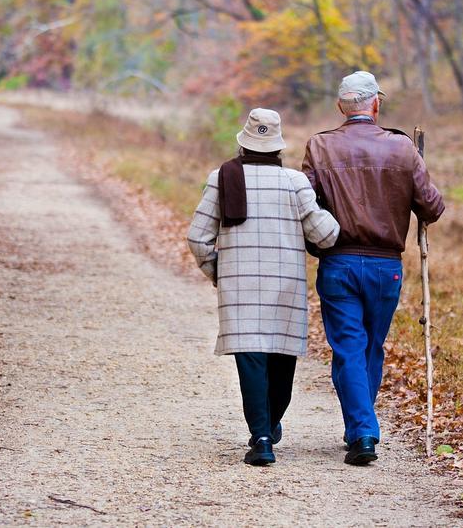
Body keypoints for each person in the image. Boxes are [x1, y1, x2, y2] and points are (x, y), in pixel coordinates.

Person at [302, 71, 445, 466]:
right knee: (369, 347)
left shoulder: (319, 146)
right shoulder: (402, 148)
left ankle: (361, 428)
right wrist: (414, 169)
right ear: (376, 104)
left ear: (340, 107)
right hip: (386, 268)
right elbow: (432, 207)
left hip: (339, 262)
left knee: (349, 347)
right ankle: (362, 427)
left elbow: (304, 203)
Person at [187, 108, 340, 466]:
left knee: (251, 360)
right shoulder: (295, 182)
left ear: (243, 143)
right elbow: (326, 236)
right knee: (281, 361)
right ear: (278, 147)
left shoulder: (222, 178)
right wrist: (332, 212)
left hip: (239, 289)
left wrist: (219, 272)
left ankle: (262, 438)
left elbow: (197, 238)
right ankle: (268, 426)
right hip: (285, 286)